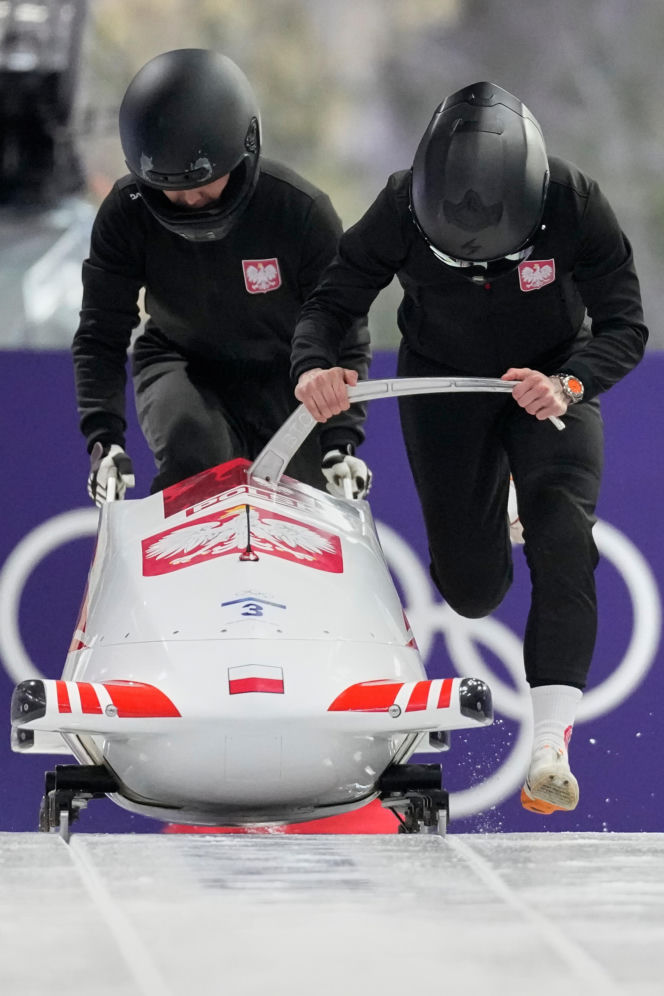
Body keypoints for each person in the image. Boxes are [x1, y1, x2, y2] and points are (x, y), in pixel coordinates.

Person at [291, 82, 648, 816]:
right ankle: (497, 507)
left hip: (548, 383)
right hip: (444, 383)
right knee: (473, 590)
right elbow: (332, 301)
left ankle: (551, 749)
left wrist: (571, 385)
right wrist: (313, 368)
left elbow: (626, 327)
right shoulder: (397, 206)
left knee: (562, 532)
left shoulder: (576, 202)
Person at [72, 48, 371, 508]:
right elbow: (100, 332)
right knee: (197, 458)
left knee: (292, 502)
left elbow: (344, 332)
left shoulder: (301, 213)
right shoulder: (125, 214)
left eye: (202, 184)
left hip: (287, 374)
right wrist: (104, 440)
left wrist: (339, 441)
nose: (189, 201)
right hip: (181, 359)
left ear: (241, 151)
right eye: (172, 188)